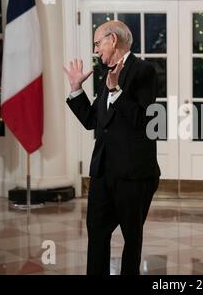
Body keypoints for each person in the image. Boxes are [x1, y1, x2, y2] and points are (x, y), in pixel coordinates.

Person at [64, 20, 160, 275]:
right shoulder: (106, 74)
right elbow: (93, 121)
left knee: (132, 239)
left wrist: (116, 90)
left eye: (98, 43)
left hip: (134, 175)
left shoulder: (144, 71)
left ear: (113, 40)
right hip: (103, 173)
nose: (96, 50)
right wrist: (76, 90)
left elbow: (143, 119)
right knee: (97, 234)